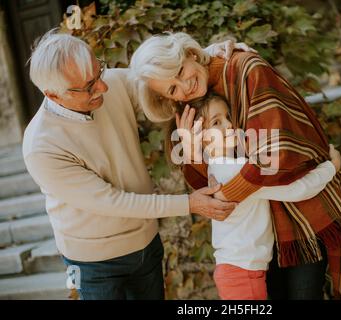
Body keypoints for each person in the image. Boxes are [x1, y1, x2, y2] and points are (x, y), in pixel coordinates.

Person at [129, 32, 341, 299]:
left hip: (299, 215)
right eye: (172, 89)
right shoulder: (191, 108)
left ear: (190, 54)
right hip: (257, 234)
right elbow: (207, 184)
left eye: (180, 71)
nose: (184, 86)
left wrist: (228, 193)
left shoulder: (247, 69)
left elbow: (273, 157)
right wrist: (192, 154)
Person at [22, 30, 253, 300]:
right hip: (90, 263)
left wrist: (212, 53)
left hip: (146, 246)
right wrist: (190, 203)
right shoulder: (41, 147)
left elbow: (162, 75)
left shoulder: (108, 85)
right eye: (89, 86)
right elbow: (114, 202)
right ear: (53, 94)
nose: (104, 87)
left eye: (100, 72)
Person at [166, 93, 341, 300]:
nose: (230, 125)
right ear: (199, 138)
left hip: (236, 271)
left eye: (228, 116)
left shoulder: (216, 168)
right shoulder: (238, 171)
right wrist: (332, 167)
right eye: (217, 122)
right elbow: (297, 189)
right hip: (243, 275)